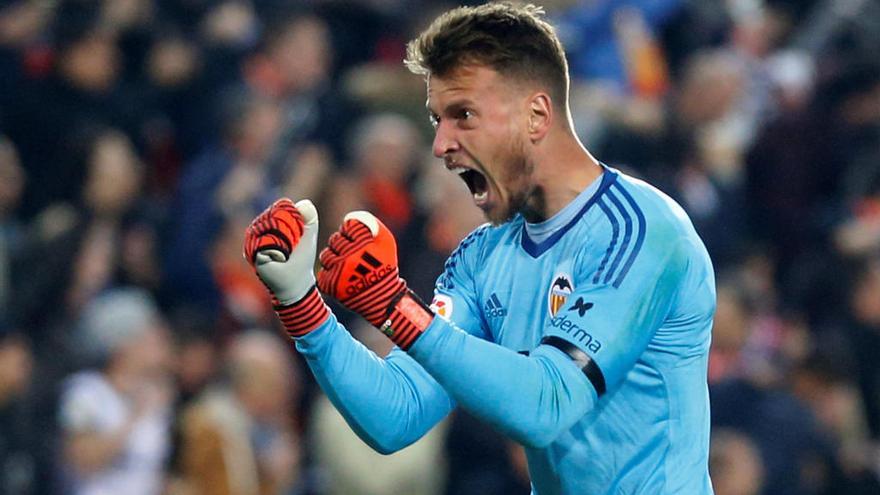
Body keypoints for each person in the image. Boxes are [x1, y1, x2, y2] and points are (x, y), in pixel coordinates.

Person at [243, 3, 716, 494]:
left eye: (463, 115)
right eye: (437, 120)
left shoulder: (639, 232)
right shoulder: (482, 258)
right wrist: (303, 305)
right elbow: (396, 413)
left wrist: (394, 308)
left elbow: (548, 405)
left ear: (536, 115)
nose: (441, 144)